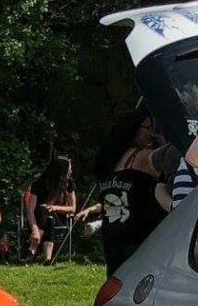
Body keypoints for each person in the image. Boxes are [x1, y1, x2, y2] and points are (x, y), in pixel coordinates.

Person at [91, 108, 167, 276]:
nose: (151, 133)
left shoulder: (110, 160)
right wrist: (162, 142)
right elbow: (170, 163)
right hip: (139, 236)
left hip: (113, 235)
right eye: (148, 128)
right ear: (135, 129)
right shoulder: (143, 157)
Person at [24, 156, 77, 264]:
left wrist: (55, 207)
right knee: (47, 216)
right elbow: (30, 210)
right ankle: (47, 259)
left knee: (46, 210)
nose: (71, 171)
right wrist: (34, 230)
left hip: (60, 217)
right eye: (69, 169)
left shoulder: (69, 183)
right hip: (37, 219)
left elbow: (72, 208)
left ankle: (32, 249)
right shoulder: (39, 183)